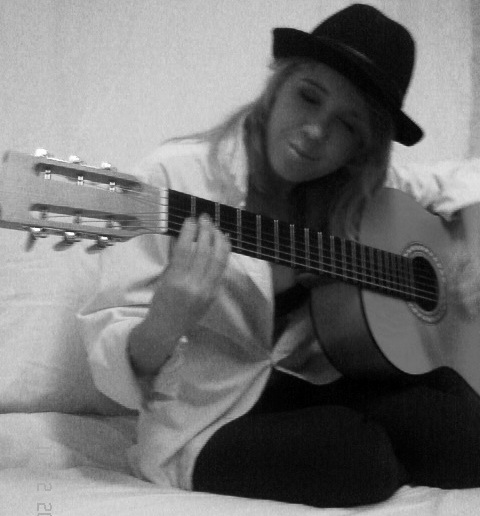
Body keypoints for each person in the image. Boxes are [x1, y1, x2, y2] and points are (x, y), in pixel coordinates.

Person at [80, 4, 480, 508]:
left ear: (361, 149)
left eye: (347, 125)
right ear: (277, 86)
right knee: (357, 457)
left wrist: (465, 251)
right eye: (308, 97)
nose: (315, 131)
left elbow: (459, 178)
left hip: (313, 385)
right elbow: (108, 367)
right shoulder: (174, 179)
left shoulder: (357, 193)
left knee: (466, 433)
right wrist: (166, 319)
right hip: (209, 417)